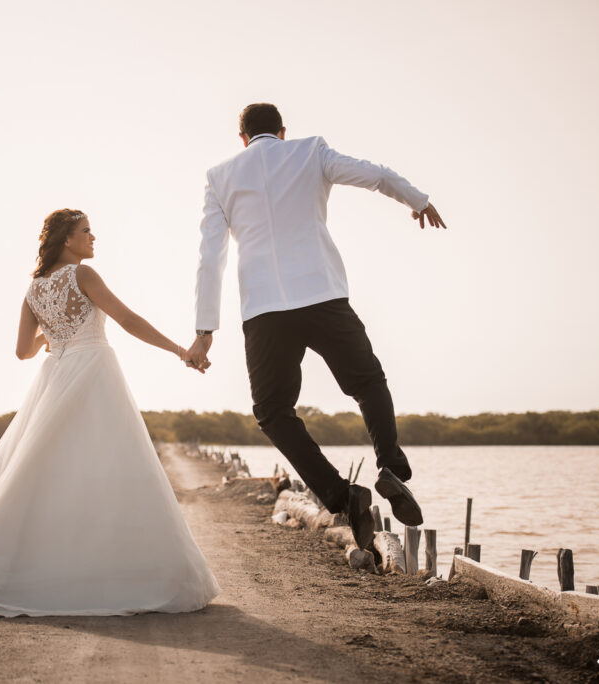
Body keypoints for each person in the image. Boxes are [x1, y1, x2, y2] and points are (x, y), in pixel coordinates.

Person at [0, 209, 221, 619]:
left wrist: (53, 331)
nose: (94, 237)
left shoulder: (33, 289)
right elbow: (126, 319)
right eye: (86, 231)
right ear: (66, 240)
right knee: (108, 467)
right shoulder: (83, 276)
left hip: (56, 376)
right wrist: (181, 351)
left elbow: (23, 351)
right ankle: (110, 571)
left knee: (45, 471)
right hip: (93, 372)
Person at [186, 103, 446, 549]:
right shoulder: (311, 151)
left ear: (243, 139)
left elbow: (211, 256)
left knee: (272, 412)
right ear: (282, 132)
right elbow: (375, 173)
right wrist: (417, 200)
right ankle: (389, 464)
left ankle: (342, 496)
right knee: (367, 381)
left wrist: (205, 330)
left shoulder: (220, 176)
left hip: (265, 310)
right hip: (322, 295)